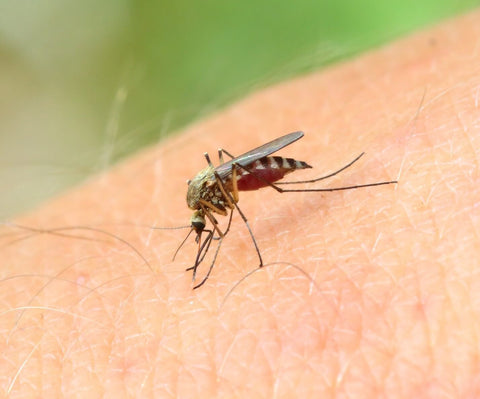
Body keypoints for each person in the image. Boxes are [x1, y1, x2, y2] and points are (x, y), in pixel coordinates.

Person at [2, 10, 480, 397]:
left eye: (200, 223)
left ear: (199, 209)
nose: (203, 225)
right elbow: (210, 216)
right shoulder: (201, 205)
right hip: (238, 175)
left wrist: (242, 194)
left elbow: (220, 183)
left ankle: (334, 182)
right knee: (228, 175)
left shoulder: (208, 197)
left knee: (246, 177)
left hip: (247, 171)